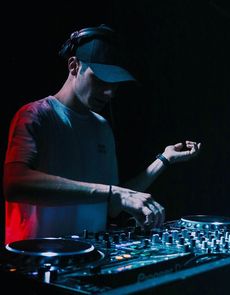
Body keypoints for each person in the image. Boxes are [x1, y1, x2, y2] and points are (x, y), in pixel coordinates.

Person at [3, 24, 201, 245]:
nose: (110, 93)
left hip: (88, 263)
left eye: (115, 84)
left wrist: (164, 159)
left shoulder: (102, 127)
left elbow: (114, 204)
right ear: (73, 66)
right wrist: (111, 193)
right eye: (101, 80)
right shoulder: (35, 115)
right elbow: (14, 184)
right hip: (35, 265)